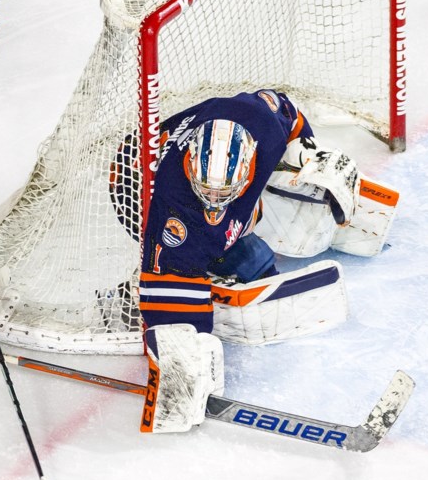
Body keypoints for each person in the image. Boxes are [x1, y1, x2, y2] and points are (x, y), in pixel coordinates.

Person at [137, 89, 363, 434]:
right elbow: (167, 292)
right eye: (207, 191)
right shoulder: (177, 215)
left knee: (255, 255)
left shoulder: (264, 125)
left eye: (224, 193)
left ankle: (224, 250)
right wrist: (183, 358)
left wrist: (306, 155)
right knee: (241, 262)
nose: (214, 200)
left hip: (211, 153)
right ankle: (210, 267)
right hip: (133, 189)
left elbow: (284, 107)